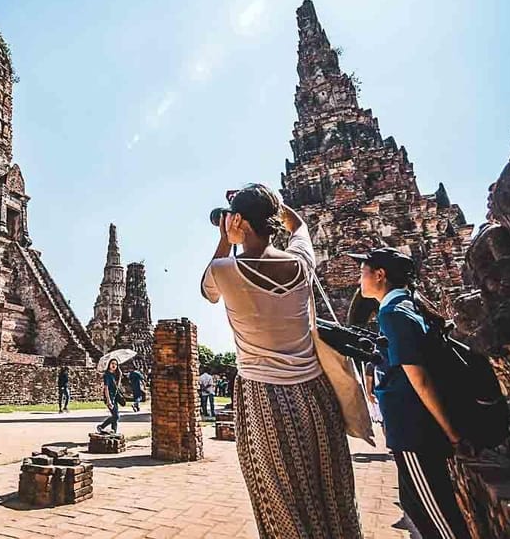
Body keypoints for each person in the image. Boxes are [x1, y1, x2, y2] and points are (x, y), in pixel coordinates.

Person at [201, 184, 362, 538]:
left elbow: (207, 290)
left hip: (264, 401)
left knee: (281, 501)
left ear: (237, 220)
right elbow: (299, 227)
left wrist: (226, 235)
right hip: (316, 397)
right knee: (332, 495)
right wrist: (274, 204)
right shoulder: (301, 264)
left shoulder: (225, 271)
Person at [353, 247, 471, 539]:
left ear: (380, 275)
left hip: (415, 432)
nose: (359, 279)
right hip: (414, 430)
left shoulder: (394, 313)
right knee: (419, 507)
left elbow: (420, 380)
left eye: (362, 271)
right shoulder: (405, 307)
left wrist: (451, 432)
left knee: (436, 518)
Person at [97, 358, 122, 434]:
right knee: (116, 416)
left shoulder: (114, 375)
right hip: (109, 397)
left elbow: (117, 388)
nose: (114, 365)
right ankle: (101, 426)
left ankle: (114, 432)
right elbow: (106, 388)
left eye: (116, 364)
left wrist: (120, 376)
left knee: (115, 417)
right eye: (112, 363)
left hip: (114, 397)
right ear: (109, 365)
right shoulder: (107, 375)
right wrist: (108, 400)